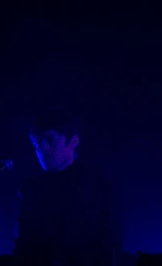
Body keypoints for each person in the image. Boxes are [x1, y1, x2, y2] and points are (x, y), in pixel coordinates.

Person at [13, 111, 122, 265]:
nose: (42, 148)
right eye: (37, 143)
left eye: (50, 139)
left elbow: (108, 245)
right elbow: (22, 247)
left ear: (74, 141)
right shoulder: (29, 189)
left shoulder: (98, 186)